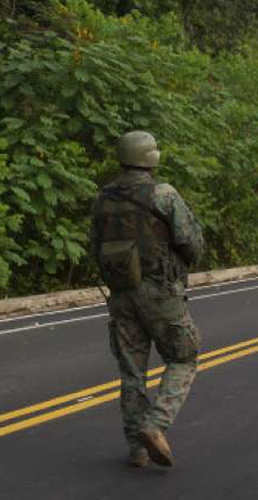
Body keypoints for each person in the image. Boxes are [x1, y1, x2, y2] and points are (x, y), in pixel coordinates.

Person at [89, 131, 205, 469]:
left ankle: (136, 449)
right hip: (160, 293)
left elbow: (94, 248)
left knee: (131, 372)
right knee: (184, 357)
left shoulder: (103, 199)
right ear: (150, 158)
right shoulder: (163, 194)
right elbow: (191, 242)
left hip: (121, 294)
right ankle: (154, 425)